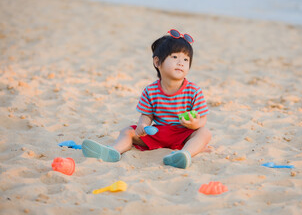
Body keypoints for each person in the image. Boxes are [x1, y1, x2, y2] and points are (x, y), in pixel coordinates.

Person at [82, 29, 211, 169]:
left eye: (186, 59)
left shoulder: (193, 91)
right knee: (127, 131)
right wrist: (142, 125)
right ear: (157, 62)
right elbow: (147, 115)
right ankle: (114, 151)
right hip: (158, 133)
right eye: (174, 57)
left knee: (204, 133)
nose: (181, 63)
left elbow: (202, 119)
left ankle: (184, 154)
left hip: (183, 134)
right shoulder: (150, 91)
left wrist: (194, 124)